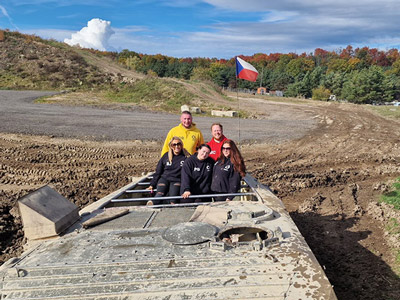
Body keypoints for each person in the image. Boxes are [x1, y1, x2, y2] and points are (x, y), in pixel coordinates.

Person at [147, 137, 190, 205]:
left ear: (181, 145)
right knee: (160, 193)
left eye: (178, 144)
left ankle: (168, 206)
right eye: (174, 144)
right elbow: (158, 171)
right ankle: (152, 204)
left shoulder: (186, 156)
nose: (176, 146)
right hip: (164, 179)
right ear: (171, 146)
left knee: (173, 199)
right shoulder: (166, 156)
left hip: (177, 180)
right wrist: (152, 184)